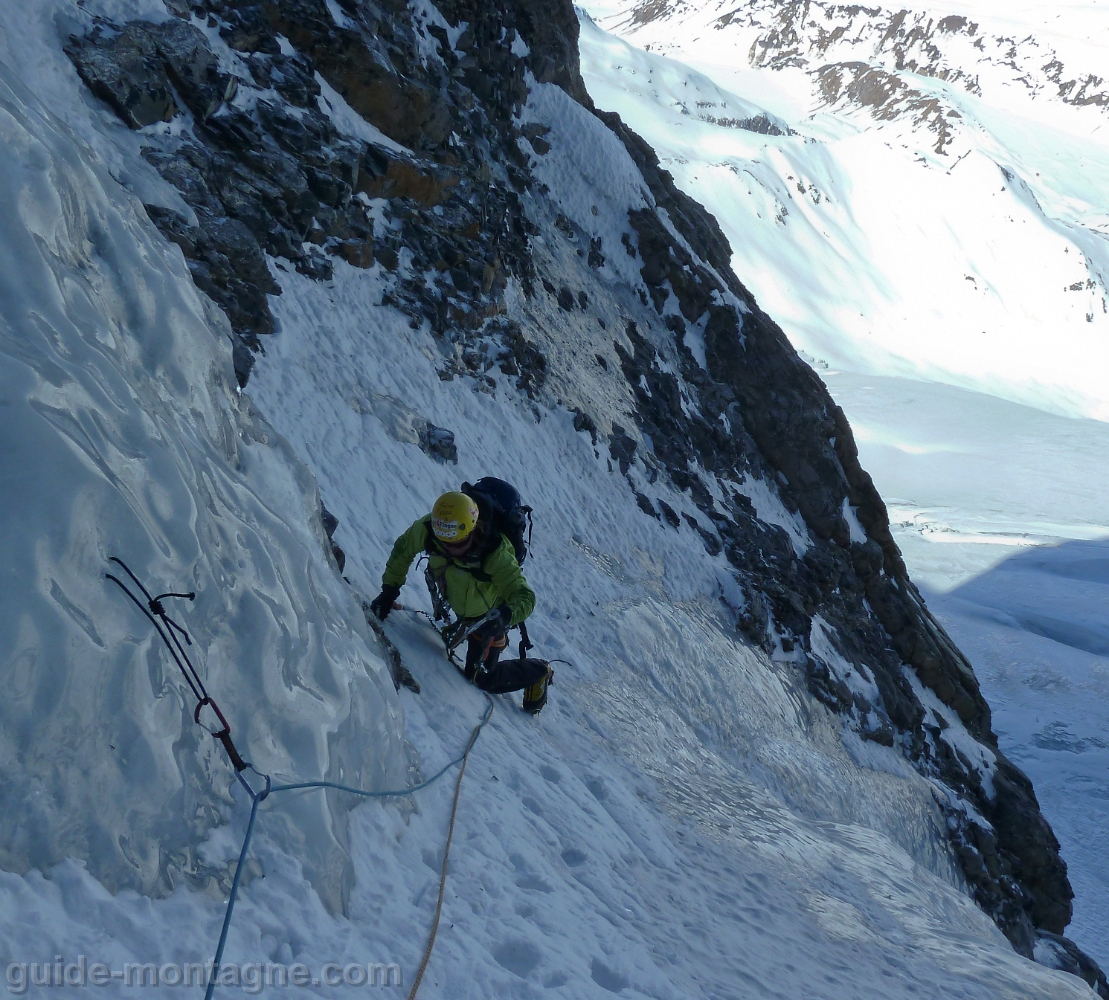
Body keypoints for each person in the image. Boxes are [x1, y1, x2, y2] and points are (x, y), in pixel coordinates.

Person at [370, 491, 549, 712]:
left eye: (457, 544)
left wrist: (504, 617)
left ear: (473, 531)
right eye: (444, 544)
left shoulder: (495, 553)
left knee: (481, 676)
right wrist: (389, 590)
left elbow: (525, 596)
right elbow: (403, 549)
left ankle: (539, 671)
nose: (449, 550)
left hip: (487, 618)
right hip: (461, 597)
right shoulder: (431, 530)